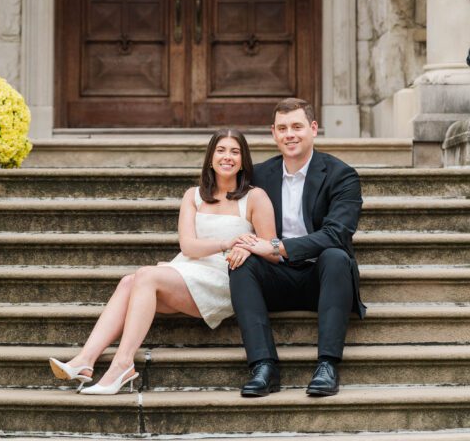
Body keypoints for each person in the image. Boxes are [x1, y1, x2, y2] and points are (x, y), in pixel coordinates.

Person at [48, 128, 276, 395]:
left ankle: (122, 363)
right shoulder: (193, 195)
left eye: (235, 152)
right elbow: (187, 245)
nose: (228, 157)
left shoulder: (255, 197)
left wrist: (247, 249)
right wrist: (225, 243)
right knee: (128, 282)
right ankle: (86, 360)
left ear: (243, 160)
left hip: (226, 279)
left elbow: (271, 247)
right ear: (211, 158)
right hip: (188, 269)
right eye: (221, 151)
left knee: (145, 276)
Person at [228, 98, 366, 398]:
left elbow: (336, 234)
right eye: (282, 128)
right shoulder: (259, 176)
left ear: (313, 129)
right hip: (276, 277)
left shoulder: (342, 175)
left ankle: (327, 364)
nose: (289, 134)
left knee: (336, 256)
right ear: (273, 133)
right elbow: (227, 204)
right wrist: (244, 244)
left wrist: (277, 246)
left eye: (297, 127)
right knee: (242, 264)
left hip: (323, 278)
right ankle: (264, 366)